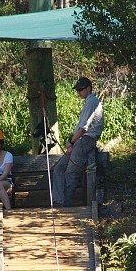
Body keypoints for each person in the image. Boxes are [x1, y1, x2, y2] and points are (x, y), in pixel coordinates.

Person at [52, 77, 103, 206]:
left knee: (71, 174)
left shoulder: (92, 102)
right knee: (59, 168)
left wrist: (71, 142)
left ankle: (66, 207)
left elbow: (83, 128)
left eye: (81, 89)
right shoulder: (88, 102)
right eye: (77, 90)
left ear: (88, 88)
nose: (78, 92)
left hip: (85, 140)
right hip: (79, 141)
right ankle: (58, 201)